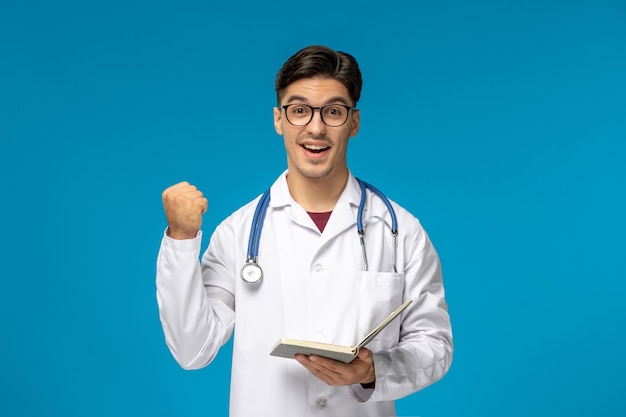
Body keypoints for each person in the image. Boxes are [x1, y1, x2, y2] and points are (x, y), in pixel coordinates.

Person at [156, 45, 453, 417]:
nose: (315, 128)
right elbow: (192, 349)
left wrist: (372, 370)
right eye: (299, 111)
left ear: (354, 123)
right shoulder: (238, 232)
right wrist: (181, 238)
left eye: (333, 111)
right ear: (278, 120)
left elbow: (435, 345)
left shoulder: (400, 231)